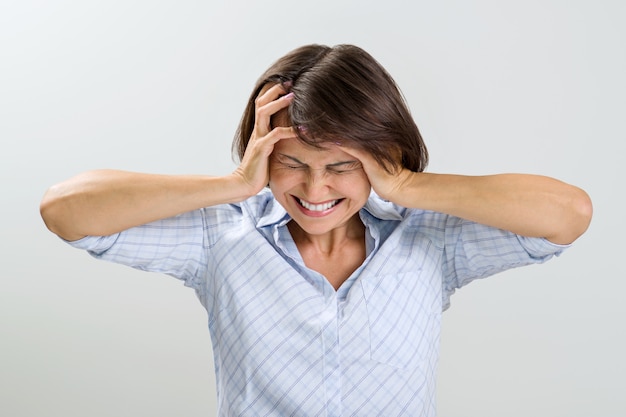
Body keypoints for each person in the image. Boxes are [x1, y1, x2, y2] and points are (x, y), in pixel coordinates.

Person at [40, 44, 592, 416]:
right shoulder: (220, 240)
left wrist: (404, 186)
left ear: (383, 154)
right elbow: (66, 208)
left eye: (341, 166)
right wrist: (235, 184)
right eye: (293, 163)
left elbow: (567, 214)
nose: (316, 189)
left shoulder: (431, 242)